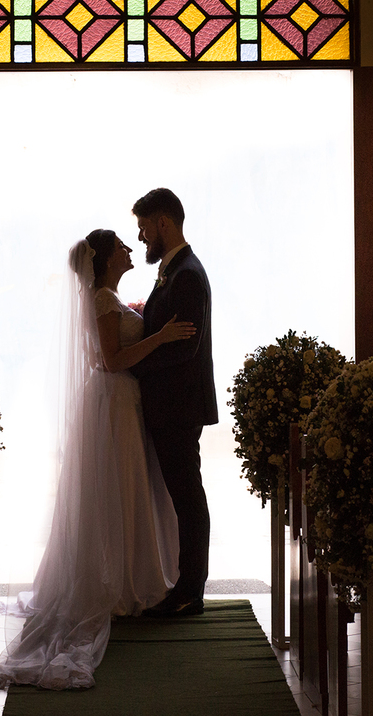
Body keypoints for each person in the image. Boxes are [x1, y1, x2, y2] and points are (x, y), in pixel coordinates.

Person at [0, 228, 194, 690]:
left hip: (117, 401)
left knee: (123, 486)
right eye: (122, 247)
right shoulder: (105, 301)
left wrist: (141, 316)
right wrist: (162, 335)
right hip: (114, 398)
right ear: (106, 259)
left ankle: (127, 571)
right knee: (117, 486)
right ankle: (120, 580)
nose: (130, 250)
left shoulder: (109, 298)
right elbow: (111, 359)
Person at [131, 188, 216, 618]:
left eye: (145, 227)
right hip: (171, 405)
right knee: (183, 496)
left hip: (178, 406)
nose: (142, 237)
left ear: (163, 223)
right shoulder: (175, 270)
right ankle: (186, 585)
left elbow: (185, 347)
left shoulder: (187, 274)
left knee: (187, 497)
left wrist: (135, 366)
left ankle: (190, 591)